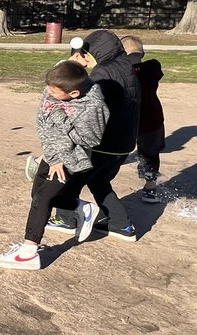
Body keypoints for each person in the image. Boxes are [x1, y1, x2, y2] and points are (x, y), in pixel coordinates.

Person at [0, 61, 108, 270]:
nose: (48, 93)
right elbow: (43, 123)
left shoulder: (93, 106)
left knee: (43, 199)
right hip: (53, 154)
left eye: (54, 91)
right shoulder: (52, 90)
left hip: (72, 158)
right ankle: (81, 208)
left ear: (73, 94)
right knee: (37, 194)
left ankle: (28, 253)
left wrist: (61, 120)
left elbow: (91, 139)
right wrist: (53, 157)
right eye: (48, 88)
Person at [49, 29, 142, 241]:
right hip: (123, 142)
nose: (82, 59)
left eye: (83, 55)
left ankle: (65, 218)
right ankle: (121, 224)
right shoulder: (125, 67)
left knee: (70, 176)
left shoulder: (103, 73)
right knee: (99, 180)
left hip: (104, 142)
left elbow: (85, 107)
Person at [121, 35, 165, 203]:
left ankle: (102, 182)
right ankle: (150, 186)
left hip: (128, 122)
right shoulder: (153, 67)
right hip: (151, 120)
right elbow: (152, 67)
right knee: (150, 153)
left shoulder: (122, 73)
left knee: (117, 151)